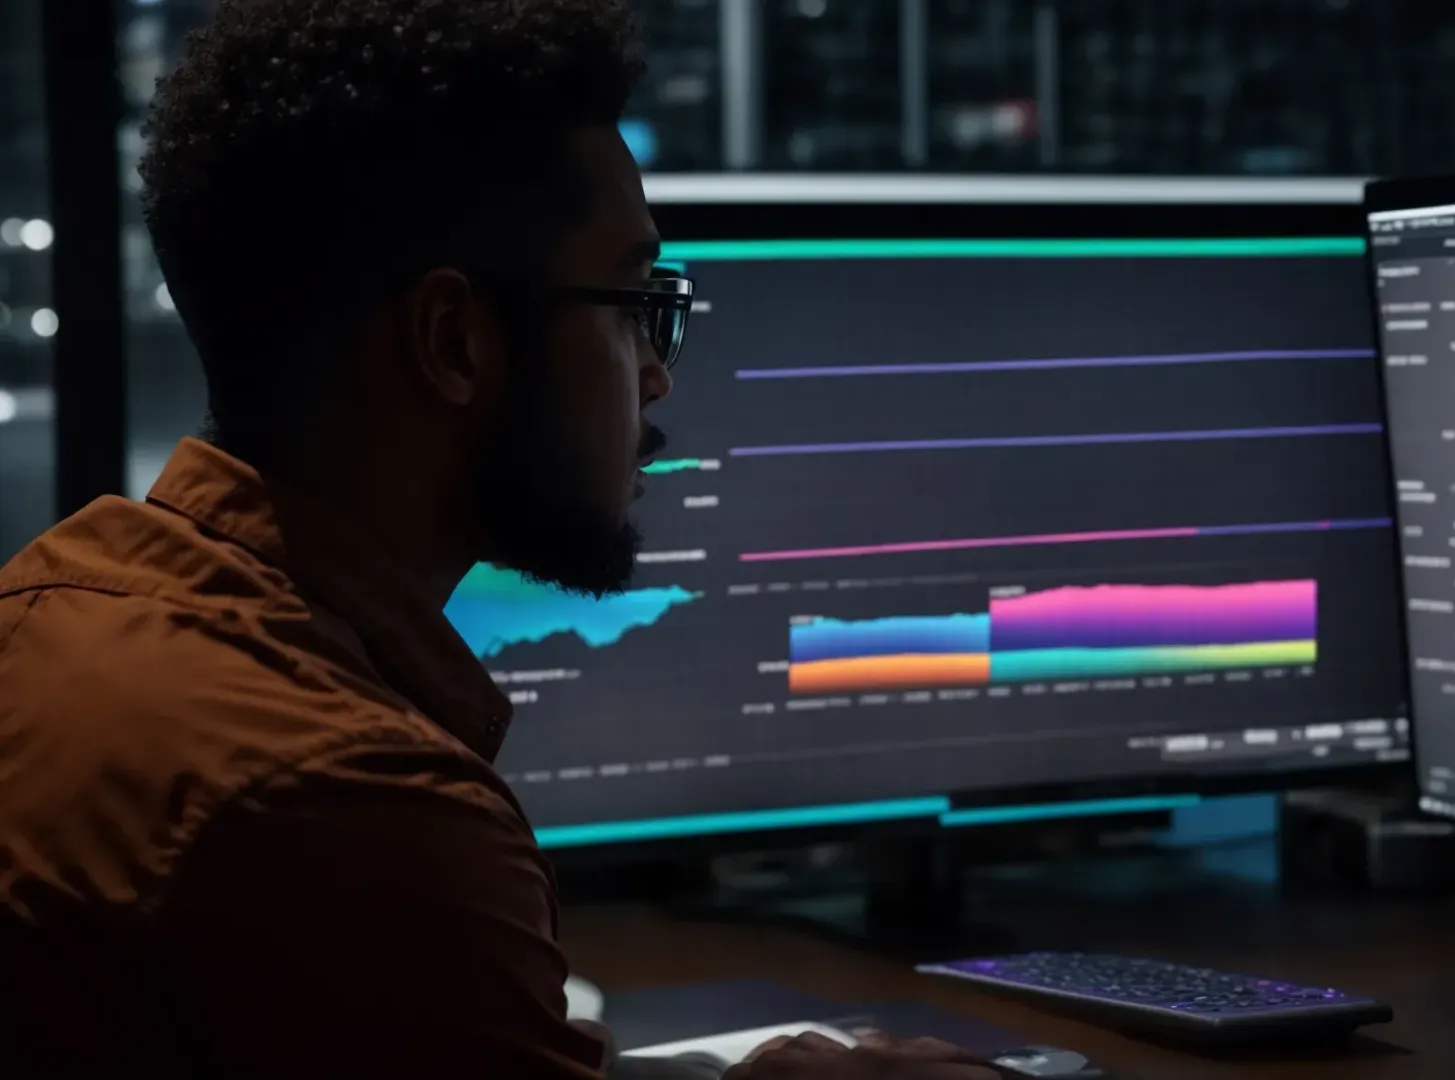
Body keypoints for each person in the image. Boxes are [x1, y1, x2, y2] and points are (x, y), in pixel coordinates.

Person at [0, 3, 997, 1078]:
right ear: (453, 344)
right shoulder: (350, 803)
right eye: (630, 305)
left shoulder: (48, 612)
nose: (657, 372)